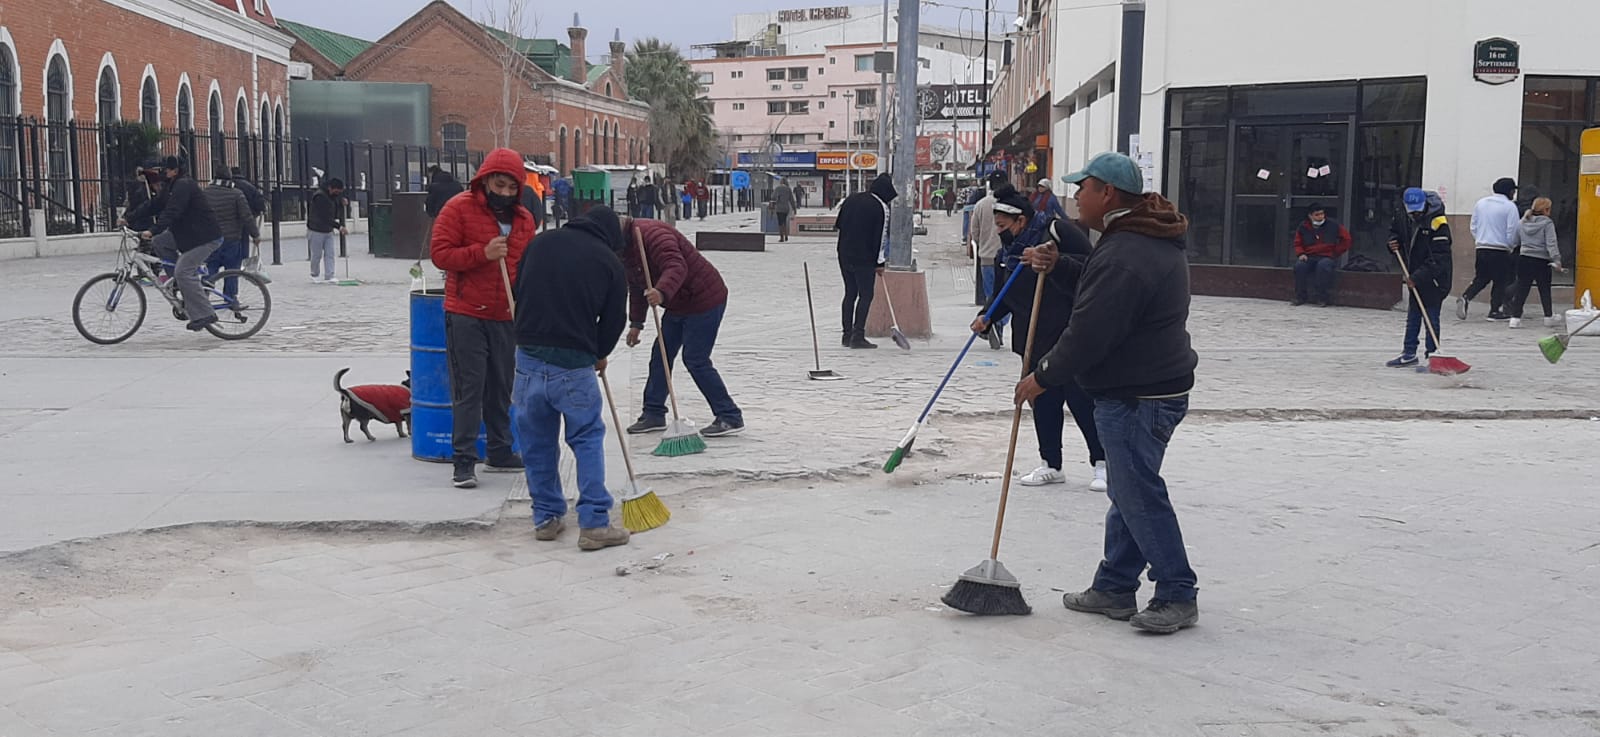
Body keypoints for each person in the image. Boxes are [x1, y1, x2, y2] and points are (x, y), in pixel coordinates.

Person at [1016, 151, 1201, 635]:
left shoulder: (1127, 250)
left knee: (1137, 493)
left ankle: (1177, 591)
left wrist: (1043, 375)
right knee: (1129, 489)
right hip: (1150, 385)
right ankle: (1116, 585)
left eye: (1083, 188)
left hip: (1139, 393)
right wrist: (1059, 266)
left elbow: (1091, 331)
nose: (1075, 196)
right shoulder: (1130, 240)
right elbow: (1103, 287)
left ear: (1108, 194)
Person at [510, 205, 630, 550]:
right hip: (574, 362)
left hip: (528, 357)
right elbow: (613, 321)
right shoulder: (609, 263)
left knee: (536, 441)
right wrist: (599, 352)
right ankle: (593, 523)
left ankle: (546, 517)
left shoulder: (540, 243)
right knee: (587, 438)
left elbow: (519, 289)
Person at [973, 183, 1106, 492]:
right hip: (1031, 334)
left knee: (1080, 399)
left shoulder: (1057, 231)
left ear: (1021, 220)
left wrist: (1053, 261)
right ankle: (1051, 464)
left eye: (1003, 225)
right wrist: (988, 315)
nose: (1000, 231)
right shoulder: (1011, 249)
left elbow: (1093, 268)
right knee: (1042, 399)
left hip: (1066, 332)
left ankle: (1102, 463)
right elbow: (1005, 290)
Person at [430, 148, 538, 489]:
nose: (503, 193)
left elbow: (525, 268)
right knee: (469, 388)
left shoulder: (524, 220)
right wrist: (483, 254)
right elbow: (440, 255)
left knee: (501, 386)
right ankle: (463, 460)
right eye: (498, 185)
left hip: (505, 314)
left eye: (510, 188)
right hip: (466, 313)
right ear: (485, 180)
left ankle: (500, 449)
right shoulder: (458, 208)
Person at [618, 216, 744, 438]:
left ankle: (729, 416)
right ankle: (654, 413)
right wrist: (636, 324)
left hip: (704, 298)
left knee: (695, 359)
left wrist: (661, 291)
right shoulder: (626, 248)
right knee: (661, 356)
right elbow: (637, 286)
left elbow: (676, 266)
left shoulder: (653, 234)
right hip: (678, 303)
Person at [140, 156, 225, 332]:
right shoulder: (171, 186)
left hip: (204, 237)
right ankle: (178, 283)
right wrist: (128, 217)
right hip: (187, 234)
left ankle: (205, 314)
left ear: (175, 171)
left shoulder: (184, 185)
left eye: (166, 169)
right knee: (160, 242)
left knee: (184, 271)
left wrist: (153, 229)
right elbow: (154, 205)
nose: (162, 173)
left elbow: (173, 211)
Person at [1386, 188, 1454, 367]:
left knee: (1431, 316)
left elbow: (1439, 258)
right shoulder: (1402, 215)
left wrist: (1417, 277)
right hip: (1414, 273)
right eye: (1412, 210)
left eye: (1418, 210)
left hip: (1435, 278)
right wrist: (1393, 242)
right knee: (1414, 315)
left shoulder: (1438, 223)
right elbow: (1395, 233)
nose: (1415, 213)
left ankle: (1432, 355)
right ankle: (1408, 353)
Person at [834, 172, 897, 349]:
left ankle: (846, 335)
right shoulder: (881, 207)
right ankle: (858, 336)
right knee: (866, 295)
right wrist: (880, 263)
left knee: (850, 293)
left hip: (844, 253)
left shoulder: (851, 199)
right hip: (864, 258)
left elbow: (839, 225)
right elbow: (880, 238)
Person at [1460, 177, 1521, 321]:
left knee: (1481, 278)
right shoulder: (1510, 206)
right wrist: (1510, 246)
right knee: (1500, 280)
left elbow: (1473, 226)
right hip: (1500, 249)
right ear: (1509, 191)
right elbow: (1512, 230)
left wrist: (1480, 239)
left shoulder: (1481, 203)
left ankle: (1466, 297)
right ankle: (1494, 310)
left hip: (1482, 247)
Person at [201, 164, 260, 302]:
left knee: (211, 268)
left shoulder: (205, 193)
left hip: (211, 238)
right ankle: (230, 298)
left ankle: (203, 297)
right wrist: (255, 234)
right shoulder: (236, 194)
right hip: (231, 239)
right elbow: (247, 216)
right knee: (232, 270)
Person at [1506, 197, 1566, 329]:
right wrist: (1556, 260)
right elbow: (1551, 243)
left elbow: (1514, 240)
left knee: (1522, 289)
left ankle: (1515, 319)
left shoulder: (1522, 221)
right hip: (1541, 261)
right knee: (1544, 289)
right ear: (1546, 210)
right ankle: (1548, 317)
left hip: (1524, 259)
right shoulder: (1547, 223)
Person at [969, 173, 1008, 350]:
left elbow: (974, 231)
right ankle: (999, 324)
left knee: (990, 295)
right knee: (1007, 296)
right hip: (1007, 258)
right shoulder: (1010, 205)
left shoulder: (981, 205)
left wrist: (981, 244)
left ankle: (992, 322)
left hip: (986, 257)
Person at [1290, 203, 1353, 306]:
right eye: (1317, 214)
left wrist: (1335, 252)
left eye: (1322, 214)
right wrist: (1301, 253)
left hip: (1327, 256)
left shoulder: (1333, 225)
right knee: (1299, 266)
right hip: (1309, 256)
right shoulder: (1303, 226)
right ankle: (1300, 297)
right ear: (1310, 216)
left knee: (1323, 267)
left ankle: (1322, 298)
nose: (1320, 217)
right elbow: (1297, 242)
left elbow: (1347, 239)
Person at [306, 177, 347, 284]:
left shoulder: (332, 196)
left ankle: (330, 275)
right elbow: (324, 216)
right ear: (331, 188)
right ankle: (314, 274)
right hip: (316, 229)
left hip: (328, 230)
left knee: (330, 253)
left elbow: (334, 209)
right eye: (337, 191)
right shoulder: (319, 196)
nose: (337, 194)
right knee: (317, 254)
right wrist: (339, 227)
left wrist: (342, 204)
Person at [770, 178, 795, 242]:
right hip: (786, 208)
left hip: (779, 208)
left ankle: (782, 237)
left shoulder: (778, 188)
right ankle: (786, 235)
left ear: (781, 182)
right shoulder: (788, 189)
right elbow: (792, 200)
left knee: (780, 223)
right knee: (784, 222)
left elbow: (773, 197)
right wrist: (794, 208)